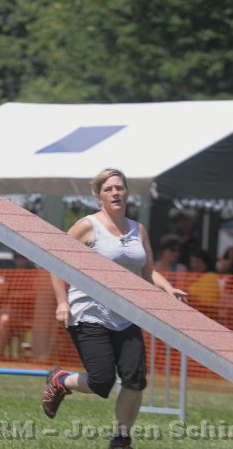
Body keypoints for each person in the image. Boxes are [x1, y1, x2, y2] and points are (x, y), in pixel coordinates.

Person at [43, 168, 187, 449]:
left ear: (127, 193)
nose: (115, 193)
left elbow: (148, 271)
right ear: (99, 196)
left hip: (126, 314)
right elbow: (53, 260)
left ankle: (121, 439)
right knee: (102, 381)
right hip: (89, 313)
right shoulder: (87, 226)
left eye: (119, 188)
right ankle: (61, 380)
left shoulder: (138, 229)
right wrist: (62, 301)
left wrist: (168, 289)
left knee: (135, 379)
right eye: (108, 189)